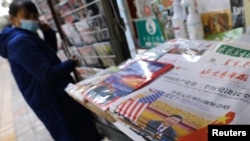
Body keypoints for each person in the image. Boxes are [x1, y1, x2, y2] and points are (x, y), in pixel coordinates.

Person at [0, 0, 104, 141]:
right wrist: (71, 63)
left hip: (54, 97)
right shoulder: (20, 42)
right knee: (74, 134)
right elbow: (47, 75)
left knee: (79, 131)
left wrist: (48, 33)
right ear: (13, 18)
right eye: (26, 16)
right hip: (52, 102)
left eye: (34, 16)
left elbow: (48, 57)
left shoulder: (25, 36)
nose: (32, 20)